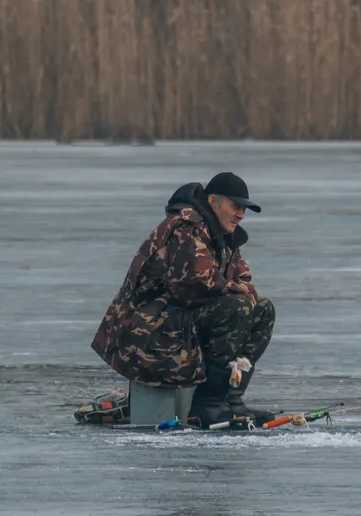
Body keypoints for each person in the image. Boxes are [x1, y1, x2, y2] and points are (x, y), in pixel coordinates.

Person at [90, 172, 276, 427]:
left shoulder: (221, 236)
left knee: (263, 310)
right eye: (235, 206)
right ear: (213, 201)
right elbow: (196, 285)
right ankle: (207, 406)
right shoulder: (188, 227)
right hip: (148, 328)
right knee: (236, 308)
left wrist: (240, 289)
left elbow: (244, 278)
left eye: (244, 209)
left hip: (176, 319)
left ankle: (229, 399)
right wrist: (237, 289)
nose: (241, 215)